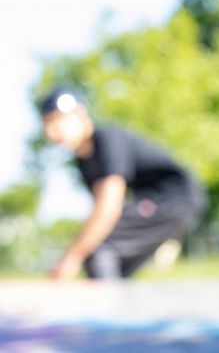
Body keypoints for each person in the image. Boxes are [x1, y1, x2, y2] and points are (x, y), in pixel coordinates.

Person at [39, 88, 207, 280]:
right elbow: (101, 210)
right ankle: (123, 305)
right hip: (157, 202)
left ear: (82, 115)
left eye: (58, 120)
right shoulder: (83, 161)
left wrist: (72, 257)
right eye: (47, 123)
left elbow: (108, 208)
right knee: (114, 261)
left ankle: (109, 310)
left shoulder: (106, 140)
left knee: (99, 248)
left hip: (174, 199)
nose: (52, 131)